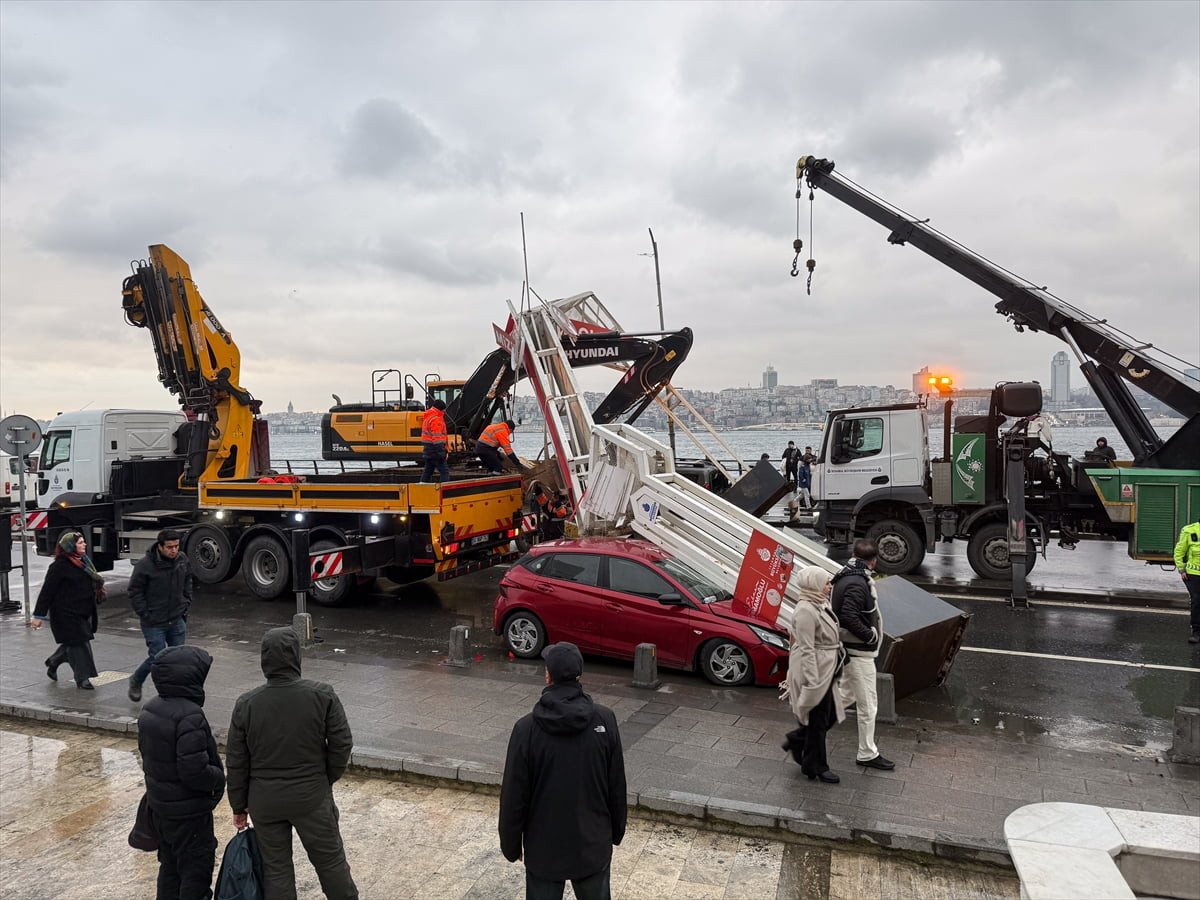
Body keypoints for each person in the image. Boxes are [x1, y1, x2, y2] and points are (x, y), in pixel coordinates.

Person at [227, 627, 357, 900]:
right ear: (296, 657)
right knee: (330, 862)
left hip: (265, 800)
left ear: (264, 660)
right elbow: (342, 743)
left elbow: (237, 762)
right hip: (311, 796)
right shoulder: (322, 695)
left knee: (276, 871)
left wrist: (238, 805)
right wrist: (324, 778)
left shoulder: (246, 704)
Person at [499, 642, 627, 900]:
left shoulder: (526, 730)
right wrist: (615, 832)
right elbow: (616, 784)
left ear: (549, 676)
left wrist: (511, 845)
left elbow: (514, 794)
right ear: (579, 675)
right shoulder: (605, 720)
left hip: (543, 849)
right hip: (593, 844)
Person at [137, 645, 226, 900]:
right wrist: (219, 778)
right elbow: (194, 770)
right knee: (195, 873)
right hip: (189, 814)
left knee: (170, 868)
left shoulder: (150, 708)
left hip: (161, 808)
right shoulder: (190, 716)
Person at [830, 538, 895, 771]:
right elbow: (849, 616)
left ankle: (810, 728)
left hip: (850, 651)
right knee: (868, 705)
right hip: (859, 653)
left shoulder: (845, 575)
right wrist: (870, 636)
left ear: (854, 555)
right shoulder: (858, 582)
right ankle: (867, 753)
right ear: (873, 561)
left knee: (845, 696)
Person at [781, 566, 846, 783]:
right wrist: (813, 680)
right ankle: (816, 766)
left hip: (827, 666)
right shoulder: (805, 610)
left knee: (830, 715)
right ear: (814, 584)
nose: (830, 586)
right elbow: (807, 648)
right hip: (815, 670)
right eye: (826, 583)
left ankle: (797, 740)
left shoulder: (819, 603)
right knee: (818, 719)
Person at [32, 531, 104, 690]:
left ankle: (54, 661)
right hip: (65, 613)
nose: (84, 545)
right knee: (80, 644)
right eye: (80, 543)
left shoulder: (84, 561)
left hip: (82, 611)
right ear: (70, 547)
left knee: (74, 642)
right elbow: (47, 591)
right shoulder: (59, 566)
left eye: (83, 542)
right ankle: (82, 678)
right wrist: (38, 615)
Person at [128, 529, 192, 703]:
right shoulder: (145, 565)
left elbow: (188, 579)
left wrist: (186, 601)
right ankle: (137, 680)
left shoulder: (182, 560)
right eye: (170, 547)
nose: (174, 550)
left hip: (176, 618)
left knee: (177, 658)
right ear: (160, 546)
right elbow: (134, 591)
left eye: (176, 546)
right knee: (158, 658)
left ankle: (173, 693)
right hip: (154, 622)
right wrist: (145, 613)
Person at [1174, 519, 1200, 643]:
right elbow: (1179, 551)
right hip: (1194, 574)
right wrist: (1181, 569)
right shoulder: (1189, 530)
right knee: (1197, 601)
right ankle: (1196, 631)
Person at [420, 398, 450, 483]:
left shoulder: (428, 417)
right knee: (444, 472)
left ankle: (421, 487)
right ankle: (444, 489)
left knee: (428, 471)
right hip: (435, 450)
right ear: (440, 409)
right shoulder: (436, 419)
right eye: (444, 409)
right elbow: (437, 439)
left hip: (428, 449)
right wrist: (442, 453)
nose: (445, 411)